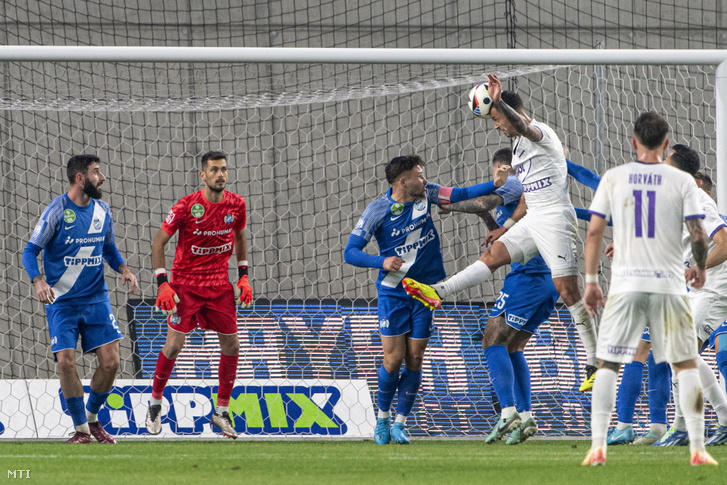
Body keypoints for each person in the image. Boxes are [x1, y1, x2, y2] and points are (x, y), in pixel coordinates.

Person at [402, 73, 598, 392]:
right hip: (535, 218)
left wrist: (499, 101)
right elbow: (523, 197)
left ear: (510, 111)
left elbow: (522, 125)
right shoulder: (518, 151)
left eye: (495, 118)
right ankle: (437, 291)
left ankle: (594, 361)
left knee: (568, 290)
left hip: (556, 220)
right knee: (492, 255)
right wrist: (506, 226)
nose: (496, 125)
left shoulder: (539, 134)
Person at [344, 154, 509, 445]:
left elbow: (461, 194)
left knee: (416, 359)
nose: (424, 179)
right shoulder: (377, 209)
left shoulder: (428, 194)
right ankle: (382, 418)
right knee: (393, 360)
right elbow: (351, 251)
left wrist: (494, 183)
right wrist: (381, 262)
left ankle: (400, 423)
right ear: (402, 181)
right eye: (418, 175)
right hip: (394, 292)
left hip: (427, 290)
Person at [581, 112, 716, 466]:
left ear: (633, 142)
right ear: (666, 144)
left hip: (630, 282)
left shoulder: (618, 177)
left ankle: (601, 443)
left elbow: (595, 232)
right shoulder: (682, 185)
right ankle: (696, 445)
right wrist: (699, 267)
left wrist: (592, 280)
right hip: (669, 284)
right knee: (684, 360)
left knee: (610, 361)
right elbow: (696, 234)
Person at [441, 148, 558, 444]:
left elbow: (485, 199)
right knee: (514, 347)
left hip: (528, 277)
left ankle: (507, 411)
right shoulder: (531, 192)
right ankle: (527, 417)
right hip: (547, 280)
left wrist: (449, 204)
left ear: (502, 165)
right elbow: (506, 234)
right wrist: (487, 219)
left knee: (491, 338)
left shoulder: (514, 183)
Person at [22, 154, 139, 444]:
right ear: (80, 178)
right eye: (96, 172)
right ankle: (81, 431)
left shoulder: (103, 211)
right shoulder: (57, 211)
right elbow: (29, 251)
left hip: (96, 298)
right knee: (66, 362)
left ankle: (91, 419)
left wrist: (123, 269)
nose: (102, 177)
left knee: (111, 362)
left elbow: (109, 248)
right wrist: (38, 280)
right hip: (61, 301)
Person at [145, 151, 252, 439]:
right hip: (186, 286)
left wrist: (243, 277)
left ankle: (221, 412)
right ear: (202, 175)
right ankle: (155, 403)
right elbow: (158, 243)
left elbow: (240, 237)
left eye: (224, 169)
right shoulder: (186, 206)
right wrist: (163, 284)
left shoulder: (236, 205)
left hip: (219, 287)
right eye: (214, 170)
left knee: (232, 345)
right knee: (174, 345)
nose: (221, 174)